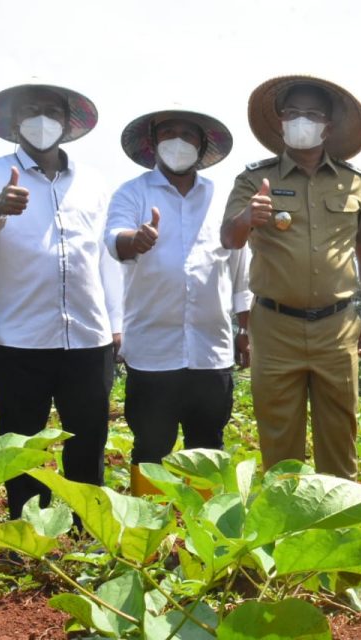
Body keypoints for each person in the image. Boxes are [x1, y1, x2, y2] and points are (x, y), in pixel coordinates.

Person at [221, 75, 361, 479]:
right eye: (293, 114)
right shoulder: (253, 180)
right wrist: (247, 217)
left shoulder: (354, 182)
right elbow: (230, 238)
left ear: (328, 125)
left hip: (337, 328)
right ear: (279, 123)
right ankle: (286, 534)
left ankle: (339, 530)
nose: (301, 122)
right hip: (275, 328)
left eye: (312, 114)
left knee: (340, 437)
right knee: (279, 441)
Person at [0, 82, 122, 519]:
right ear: (14, 123)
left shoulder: (93, 182)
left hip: (88, 338)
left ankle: (91, 532)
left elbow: (105, 258)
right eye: (31, 110)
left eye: (52, 111)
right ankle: (28, 531)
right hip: (17, 339)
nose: (41, 119)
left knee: (89, 440)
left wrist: (115, 322)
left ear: (67, 124)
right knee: (22, 444)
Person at [106, 108, 251, 496]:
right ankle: (146, 538)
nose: (178, 141)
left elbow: (240, 267)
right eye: (169, 132)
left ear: (203, 147)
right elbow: (113, 238)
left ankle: (203, 537)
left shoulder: (222, 198)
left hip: (211, 351)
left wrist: (246, 328)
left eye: (189, 134)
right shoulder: (133, 192)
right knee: (150, 447)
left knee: (207, 447)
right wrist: (134, 240)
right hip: (153, 352)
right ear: (152, 143)